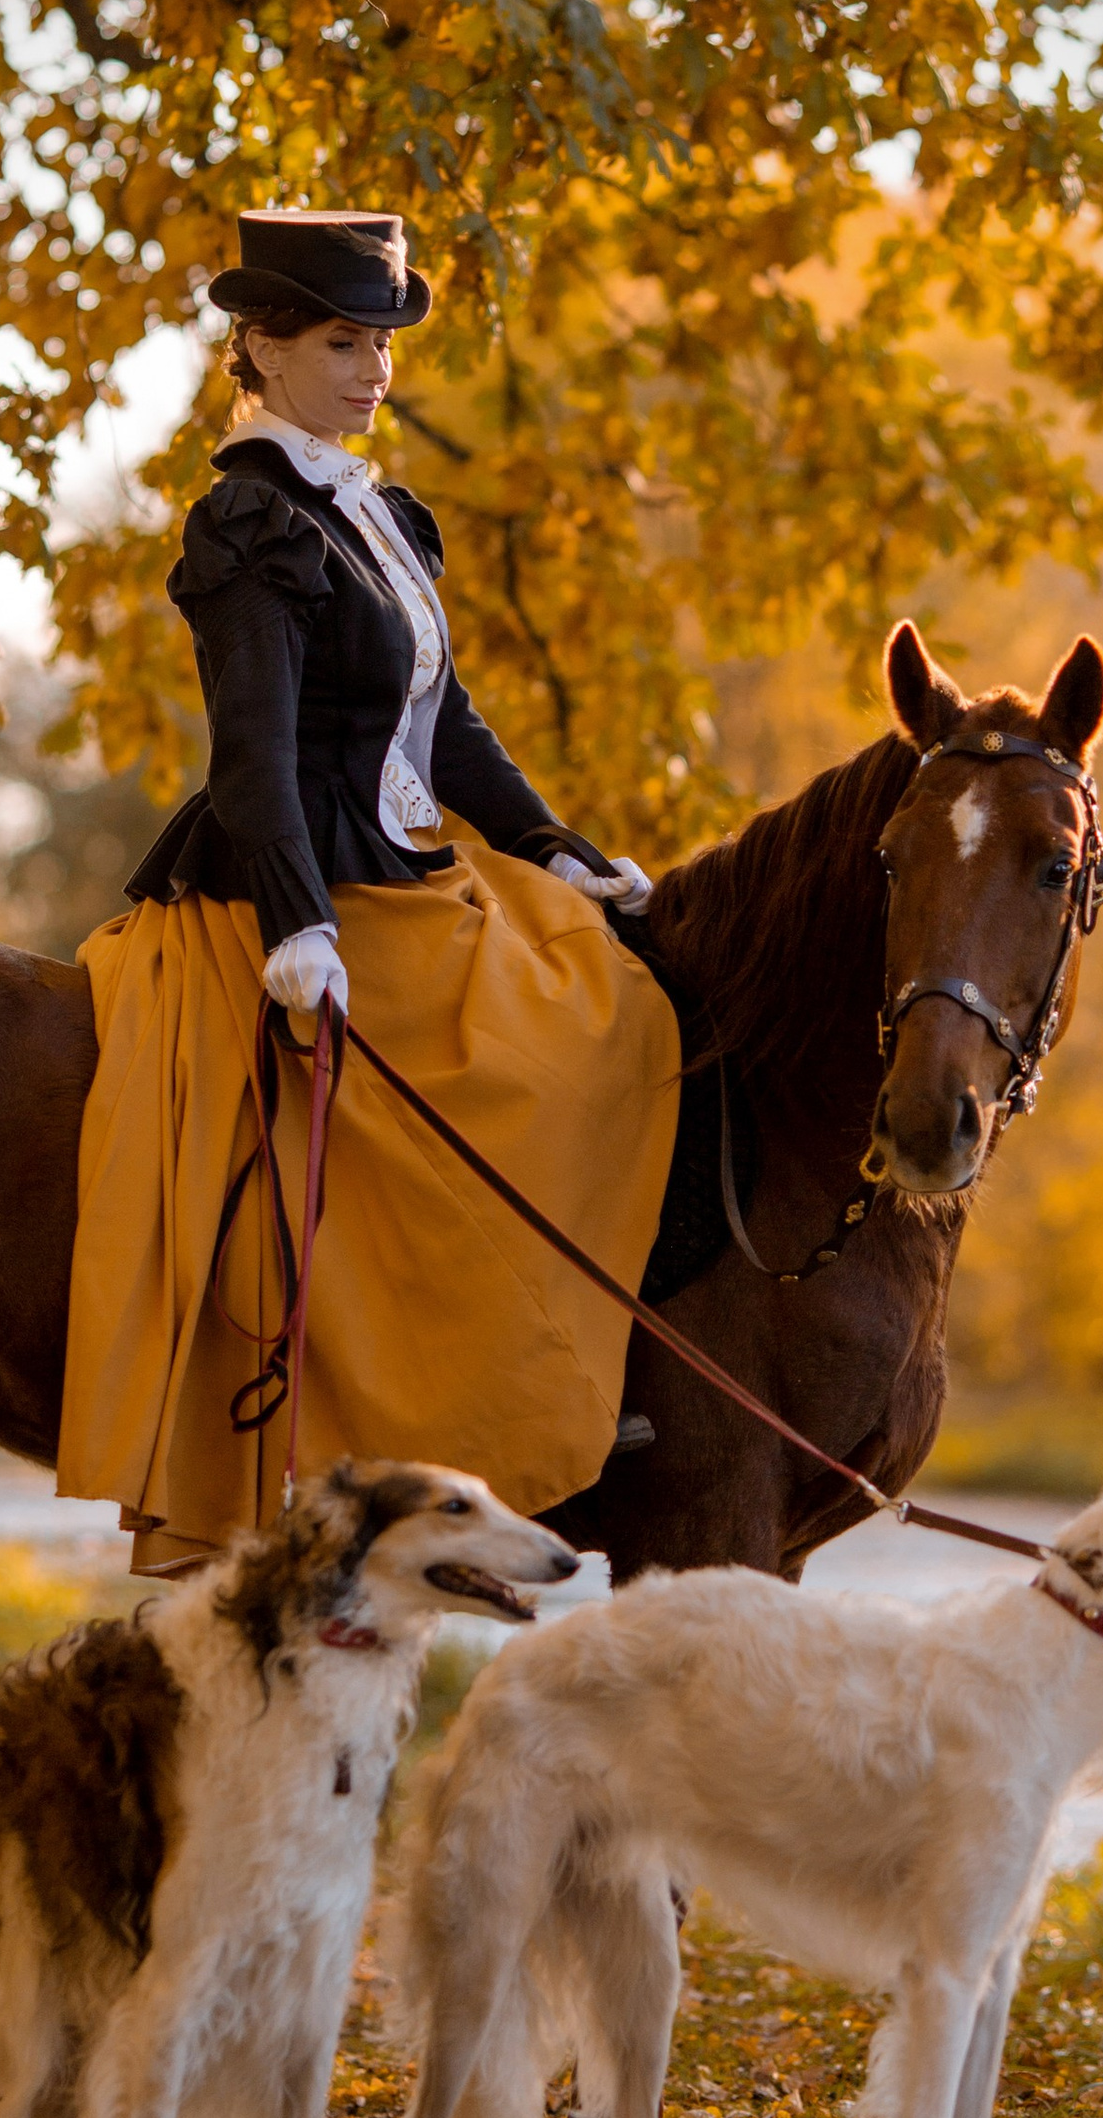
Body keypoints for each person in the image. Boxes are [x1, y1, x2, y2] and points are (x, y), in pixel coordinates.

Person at [56, 212, 680, 1568]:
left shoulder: (377, 514)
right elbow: (253, 755)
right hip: (308, 883)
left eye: (383, 342)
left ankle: (553, 1376)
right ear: (260, 349)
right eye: (343, 341)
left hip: (411, 868)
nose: (374, 368)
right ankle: (398, 1413)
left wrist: (551, 845)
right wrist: (296, 925)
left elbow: (445, 726)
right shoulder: (253, 523)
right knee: (517, 1066)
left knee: (611, 1014)